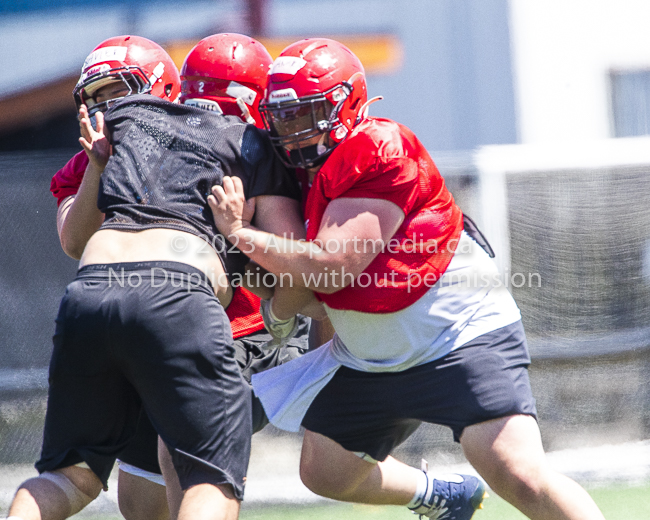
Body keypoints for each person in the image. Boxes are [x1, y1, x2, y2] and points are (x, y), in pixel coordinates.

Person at [208, 38, 606, 520]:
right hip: (369, 357)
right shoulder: (294, 165)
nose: (292, 132)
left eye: (307, 114)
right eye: (284, 117)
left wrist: (241, 234)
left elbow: (331, 268)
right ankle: (440, 494)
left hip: (454, 338)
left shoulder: (377, 147)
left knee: (517, 472)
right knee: (326, 472)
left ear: (347, 104)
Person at [7, 35, 305, 520]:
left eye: (117, 93)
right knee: (202, 482)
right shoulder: (246, 142)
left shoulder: (123, 131)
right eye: (99, 97)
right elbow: (296, 262)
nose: (109, 106)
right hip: (183, 309)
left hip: (96, 298)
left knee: (69, 476)